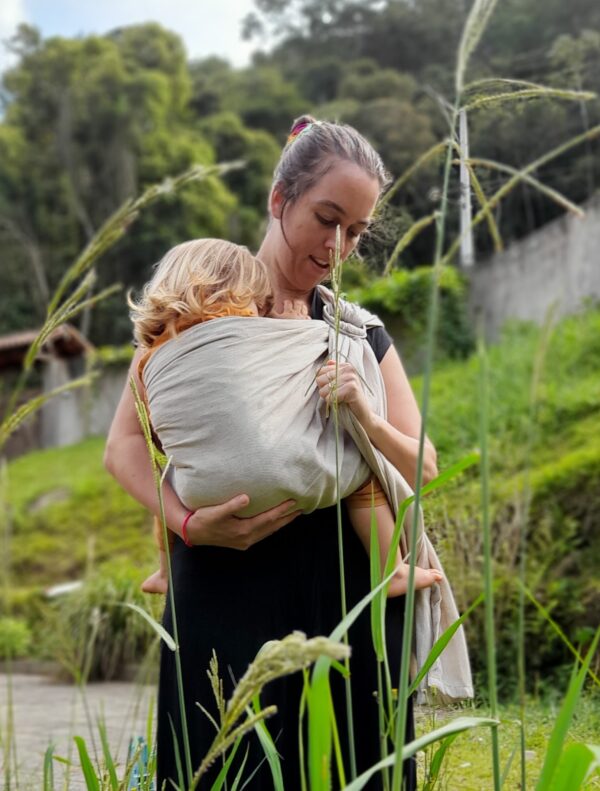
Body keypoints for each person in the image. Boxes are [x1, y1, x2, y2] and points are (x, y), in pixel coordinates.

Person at [105, 115, 439, 790]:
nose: (337, 244)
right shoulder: (198, 309)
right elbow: (124, 443)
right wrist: (188, 522)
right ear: (279, 199)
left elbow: (421, 464)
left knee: (353, 768)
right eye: (326, 217)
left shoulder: (358, 334)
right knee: (225, 767)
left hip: (346, 593)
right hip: (223, 585)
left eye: (356, 230)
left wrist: (367, 418)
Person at [128, 237, 443, 599]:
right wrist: (293, 323)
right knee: (361, 470)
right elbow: (284, 376)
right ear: (232, 290)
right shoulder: (244, 335)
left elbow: (154, 433)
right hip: (271, 476)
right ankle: (391, 569)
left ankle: (165, 571)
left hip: (199, 498)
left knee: (169, 475)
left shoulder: (149, 358)